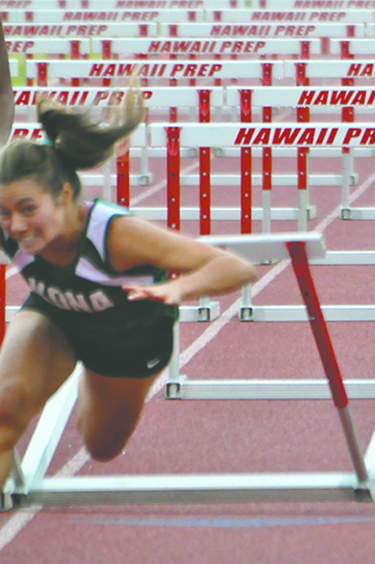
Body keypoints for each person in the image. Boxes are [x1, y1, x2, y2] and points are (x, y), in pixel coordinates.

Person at [0, 91, 258, 489]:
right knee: (5, 408)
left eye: (28, 209)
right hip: (56, 317)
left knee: (101, 447)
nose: (16, 226)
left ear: (64, 195)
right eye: (5, 213)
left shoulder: (116, 234)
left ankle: (91, 378)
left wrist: (180, 288)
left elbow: (236, 267)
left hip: (129, 339)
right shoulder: (10, 226)